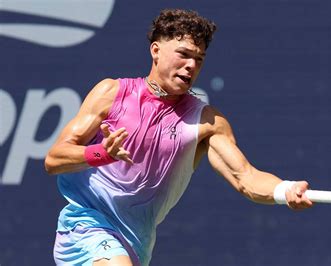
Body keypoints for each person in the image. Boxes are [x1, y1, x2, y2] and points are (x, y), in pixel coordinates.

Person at [45, 8, 313, 266]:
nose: (191, 66)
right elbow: (54, 159)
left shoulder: (207, 122)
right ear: (156, 51)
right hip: (85, 224)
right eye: (183, 54)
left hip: (137, 242)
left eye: (200, 59)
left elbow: (246, 178)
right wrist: (101, 154)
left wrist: (284, 189)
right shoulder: (111, 93)